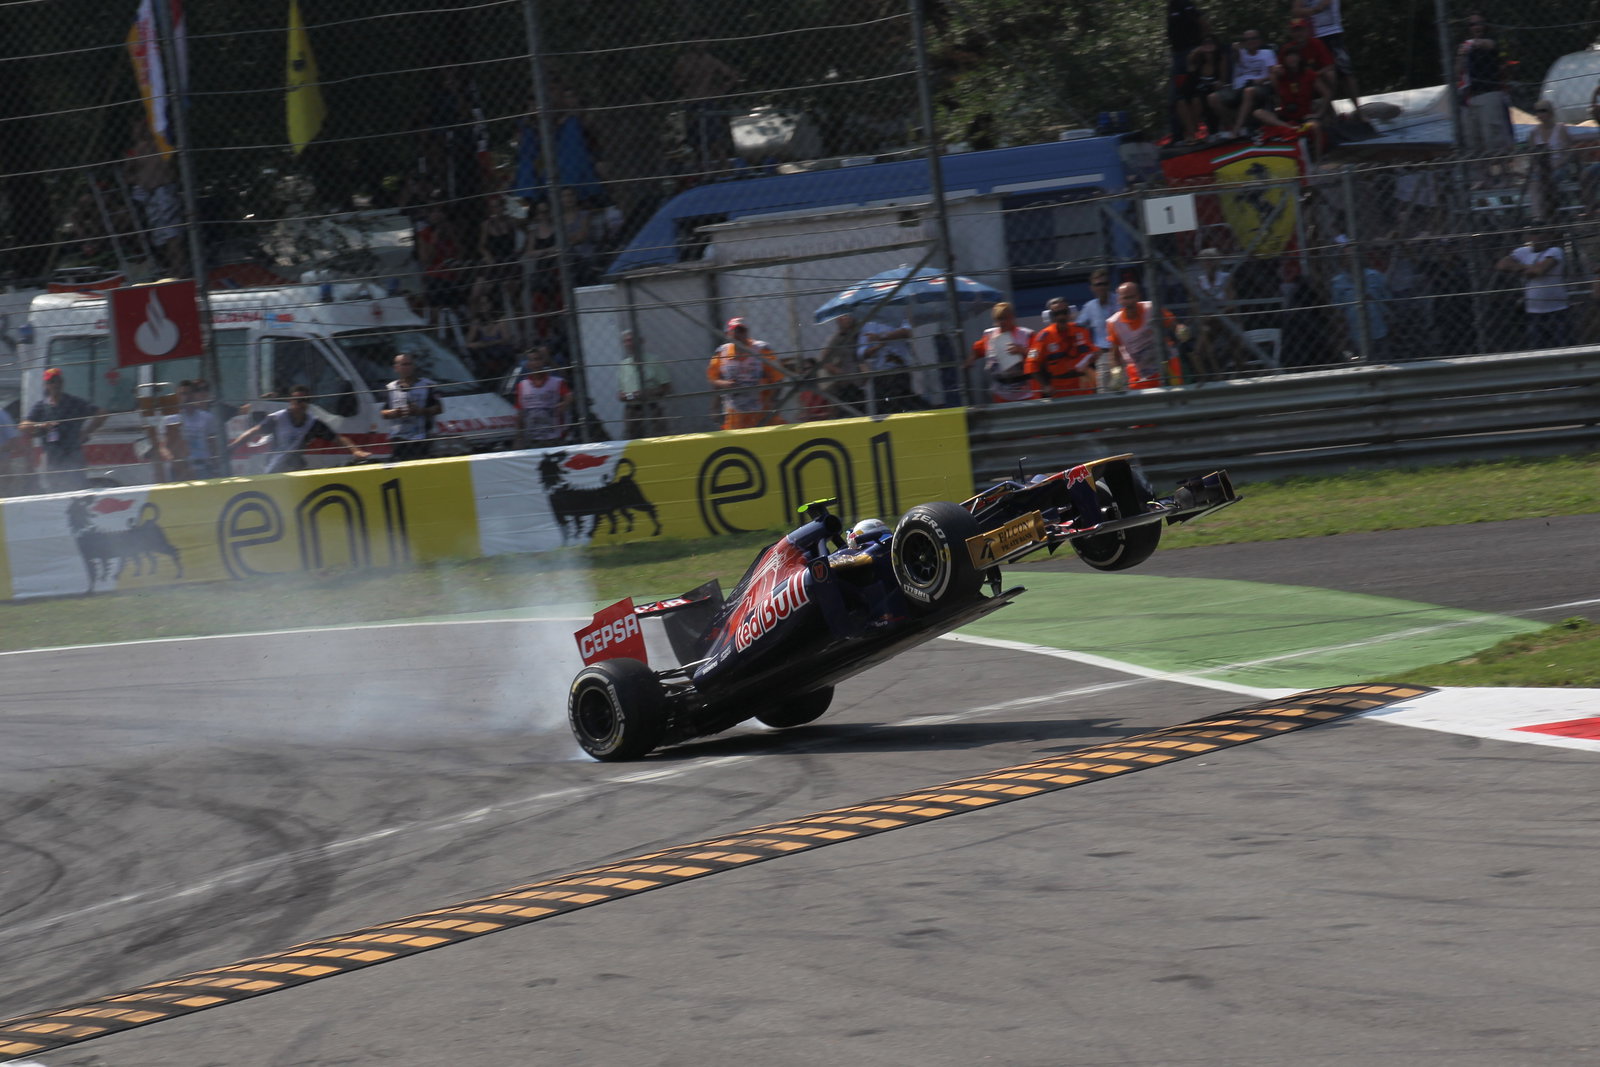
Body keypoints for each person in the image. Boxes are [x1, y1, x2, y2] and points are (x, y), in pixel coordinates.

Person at [230, 385, 371, 474]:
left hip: (297, 468)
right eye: (298, 401)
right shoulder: (277, 419)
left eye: (306, 400)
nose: (302, 404)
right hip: (275, 468)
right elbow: (253, 432)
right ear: (291, 402)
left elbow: (338, 438)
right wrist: (233, 447)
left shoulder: (312, 423)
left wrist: (355, 450)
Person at [21, 367, 106, 492]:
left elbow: (102, 413)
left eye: (57, 381)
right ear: (46, 385)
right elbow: (23, 425)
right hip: (52, 458)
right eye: (51, 382)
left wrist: (86, 432)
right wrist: (42, 426)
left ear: (62, 383)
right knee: (54, 491)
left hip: (72, 455)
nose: (55, 384)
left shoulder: (74, 402)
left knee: (78, 489)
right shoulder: (42, 406)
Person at [1454, 14, 1511, 178]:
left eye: (1479, 24)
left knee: (1495, 139)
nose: (1476, 27)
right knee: (1473, 142)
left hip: (1489, 94)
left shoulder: (1490, 42)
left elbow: (1490, 45)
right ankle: (1482, 178)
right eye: (1472, 24)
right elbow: (1457, 72)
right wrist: (1461, 55)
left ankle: (1505, 176)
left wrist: (1474, 44)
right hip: (1469, 98)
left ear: (1485, 25)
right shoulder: (1465, 48)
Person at [1496, 231, 1571, 350]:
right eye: (1534, 233)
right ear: (1528, 237)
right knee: (1537, 348)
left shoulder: (1555, 251)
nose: (1538, 237)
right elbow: (1502, 265)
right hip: (1533, 311)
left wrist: (1520, 269)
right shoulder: (1523, 252)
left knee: (1563, 346)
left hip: (1557, 309)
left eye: (1542, 233)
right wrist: (1526, 268)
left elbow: (1539, 271)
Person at [707, 318, 784, 430]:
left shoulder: (761, 349)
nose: (739, 334)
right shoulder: (722, 352)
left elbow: (778, 378)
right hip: (735, 415)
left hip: (763, 412)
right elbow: (713, 379)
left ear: (747, 332)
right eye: (735, 331)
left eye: (742, 330)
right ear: (728, 334)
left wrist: (773, 401)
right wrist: (723, 385)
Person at [1107, 282, 1187, 390]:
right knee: (1145, 403)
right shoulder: (1114, 323)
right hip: (1139, 372)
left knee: (1177, 396)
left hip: (1167, 362)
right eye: (1125, 298)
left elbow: (1173, 324)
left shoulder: (1151, 308)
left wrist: (1181, 330)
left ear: (1138, 296)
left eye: (1132, 297)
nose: (1129, 302)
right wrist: (1116, 374)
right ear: (1119, 300)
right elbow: (1115, 355)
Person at [1292, 0, 1359, 111]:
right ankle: (1328, 112)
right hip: (1313, 36)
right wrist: (1313, 10)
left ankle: (1358, 110)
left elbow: (1323, 5)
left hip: (1333, 33)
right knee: (1321, 76)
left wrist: (1308, 10)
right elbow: (1295, 11)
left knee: (1346, 73)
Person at [1329, 249, 1393, 362]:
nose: (1351, 261)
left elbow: (1388, 299)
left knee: (1383, 360)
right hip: (1355, 332)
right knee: (1359, 360)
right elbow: (1337, 309)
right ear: (1342, 261)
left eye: (1353, 257)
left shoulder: (1374, 276)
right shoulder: (1338, 282)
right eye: (1346, 258)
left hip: (1378, 328)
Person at [1025, 297, 1097, 397]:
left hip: (1083, 387)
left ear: (1069, 313)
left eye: (1064, 312)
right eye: (1057, 314)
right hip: (1058, 390)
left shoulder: (1081, 331)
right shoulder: (1042, 338)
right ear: (1051, 316)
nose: (1061, 317)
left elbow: (1094, 353)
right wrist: (1046, 385)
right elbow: (1031, 365)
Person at [966, 302, 1034, 403]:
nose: (1002, 322)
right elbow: (978, 350)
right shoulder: (989, 335)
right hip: (1001, 393)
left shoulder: (1026, 334)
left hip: (1026, 392)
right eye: (998, 319)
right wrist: (970, 360)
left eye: (1004, 318)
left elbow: (1039, 355)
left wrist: (1023, 351)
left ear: (1012, 317)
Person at [382, 351, 442, 461]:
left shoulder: (427, 385)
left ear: (414, 366)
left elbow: (438, 408)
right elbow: (383, 412)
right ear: (396, 368)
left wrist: (420, 411)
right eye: (403, 365)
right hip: (399, 438)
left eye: (409, 364)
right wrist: (395, 412)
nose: (407, 367)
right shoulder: (390, 387)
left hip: (422, 437)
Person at [857, 317, 920, 414]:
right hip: (880, 373)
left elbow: (906, 332)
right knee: (883, 408)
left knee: (903, 402)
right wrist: (877, 347)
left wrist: (882, 337)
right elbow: (862, 353)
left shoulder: (897, 316)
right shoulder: (868, 325)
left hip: (899, 370)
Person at [514, 346, 573, 448]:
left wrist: (564, 404)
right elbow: (520, 411)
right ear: (527, 364)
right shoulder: (522, 385)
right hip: (532, 437)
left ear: (543, 362)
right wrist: (519, 437)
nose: (535, 363)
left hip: (554, 435)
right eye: (531, 360)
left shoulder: (556, 382)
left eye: (538, 359)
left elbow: (569, 395)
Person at [1525, 100, 1573, 224]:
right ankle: (1538, 218)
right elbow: (1532, 156)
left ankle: (1553, 214)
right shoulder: (1533, 133)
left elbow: (1568, 153)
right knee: (1535, 182)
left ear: (1550, 112)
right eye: (1537, 111)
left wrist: (1557, 165)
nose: (1540, 114)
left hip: (1559, 166)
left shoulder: (1561, 129)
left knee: (1550, 178)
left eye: (1543, 110)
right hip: (1541, 167)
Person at [616, 330, 670, 439]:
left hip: (651, 408)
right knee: (633, 441)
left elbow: (666, 387)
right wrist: (632, 396)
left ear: (640, 342)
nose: (628, 344)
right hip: (632, 411)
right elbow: (620, 394)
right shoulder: (623, 365)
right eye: (626, 341)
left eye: (631, 340)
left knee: (657, 439)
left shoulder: (653, 361)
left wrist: (648, 393)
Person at [1224, 30, 1277, 138]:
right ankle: (1232, 125)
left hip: (1262, 85)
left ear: (1259, 40)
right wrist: (1235, 49)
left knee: (1248, 91)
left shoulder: (1267, 53)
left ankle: (1237, 129)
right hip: (1240, 86)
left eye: (1254, 38)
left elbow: (1273, 73)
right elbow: (1235, 56)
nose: (1251, 41)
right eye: (1247, 39)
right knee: (1213, 98)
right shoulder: (1240, 53)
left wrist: (1261, 80)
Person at [1077, 269, 1120, 392]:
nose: (1102, 287)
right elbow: (1078, 329)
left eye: (1104, 284)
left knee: (1127, 389)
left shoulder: (1119, 301)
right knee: (1104, 392)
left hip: (1122, 352)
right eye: (1098, 284)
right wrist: (1090, 350)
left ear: (1109, 285)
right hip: (1103, 355)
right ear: (1092, 288)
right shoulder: (1090, 307)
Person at [817, 313, 868, 414]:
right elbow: (824, 359)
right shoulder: (837, 338)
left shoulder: (859, 335)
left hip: (859, 384)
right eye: (842, 317)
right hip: (846, 385)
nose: (845, 319)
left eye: (847, 316)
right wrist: (840, 373)